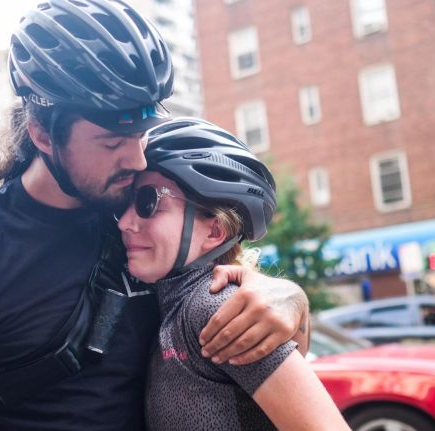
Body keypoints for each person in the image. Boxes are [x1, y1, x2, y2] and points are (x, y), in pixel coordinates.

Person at [0, 1, 308, 430]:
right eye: (112, 143)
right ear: (42, 132)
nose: (137, 160)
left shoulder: (141, 218)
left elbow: (227, 290)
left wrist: (292, 300)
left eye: (141, 135)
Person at [118, 118, 348, 430]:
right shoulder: (169, 306)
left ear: (214, 231)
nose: (125, 222)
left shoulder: (215, 306)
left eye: (148, 202)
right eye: (125, 203)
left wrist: (296, 303)